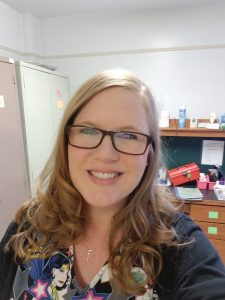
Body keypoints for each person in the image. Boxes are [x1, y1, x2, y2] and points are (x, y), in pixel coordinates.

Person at [0, 68, 225, 300]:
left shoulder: (179, 245)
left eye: (128, 135)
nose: (106, 155)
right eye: (88, 130)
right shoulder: (27, 227)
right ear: (66, 142)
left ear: (149, 153)